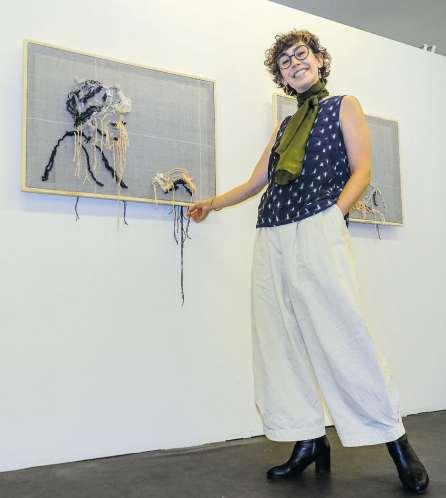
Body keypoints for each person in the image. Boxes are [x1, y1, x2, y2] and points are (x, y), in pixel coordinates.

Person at [186, 29, 429, 494]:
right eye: (284, 62)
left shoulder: (343, 105)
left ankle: (396, 442)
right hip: (272, 231)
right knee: (280, 340)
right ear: (281, 77)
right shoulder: (284, 127)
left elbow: (362, 169)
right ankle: (309, 440)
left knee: (344, 334)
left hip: (318, 224)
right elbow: (256, 181)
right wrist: (211, 204)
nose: (294, 63)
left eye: (300, 55)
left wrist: (334, 216)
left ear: (319, 60)